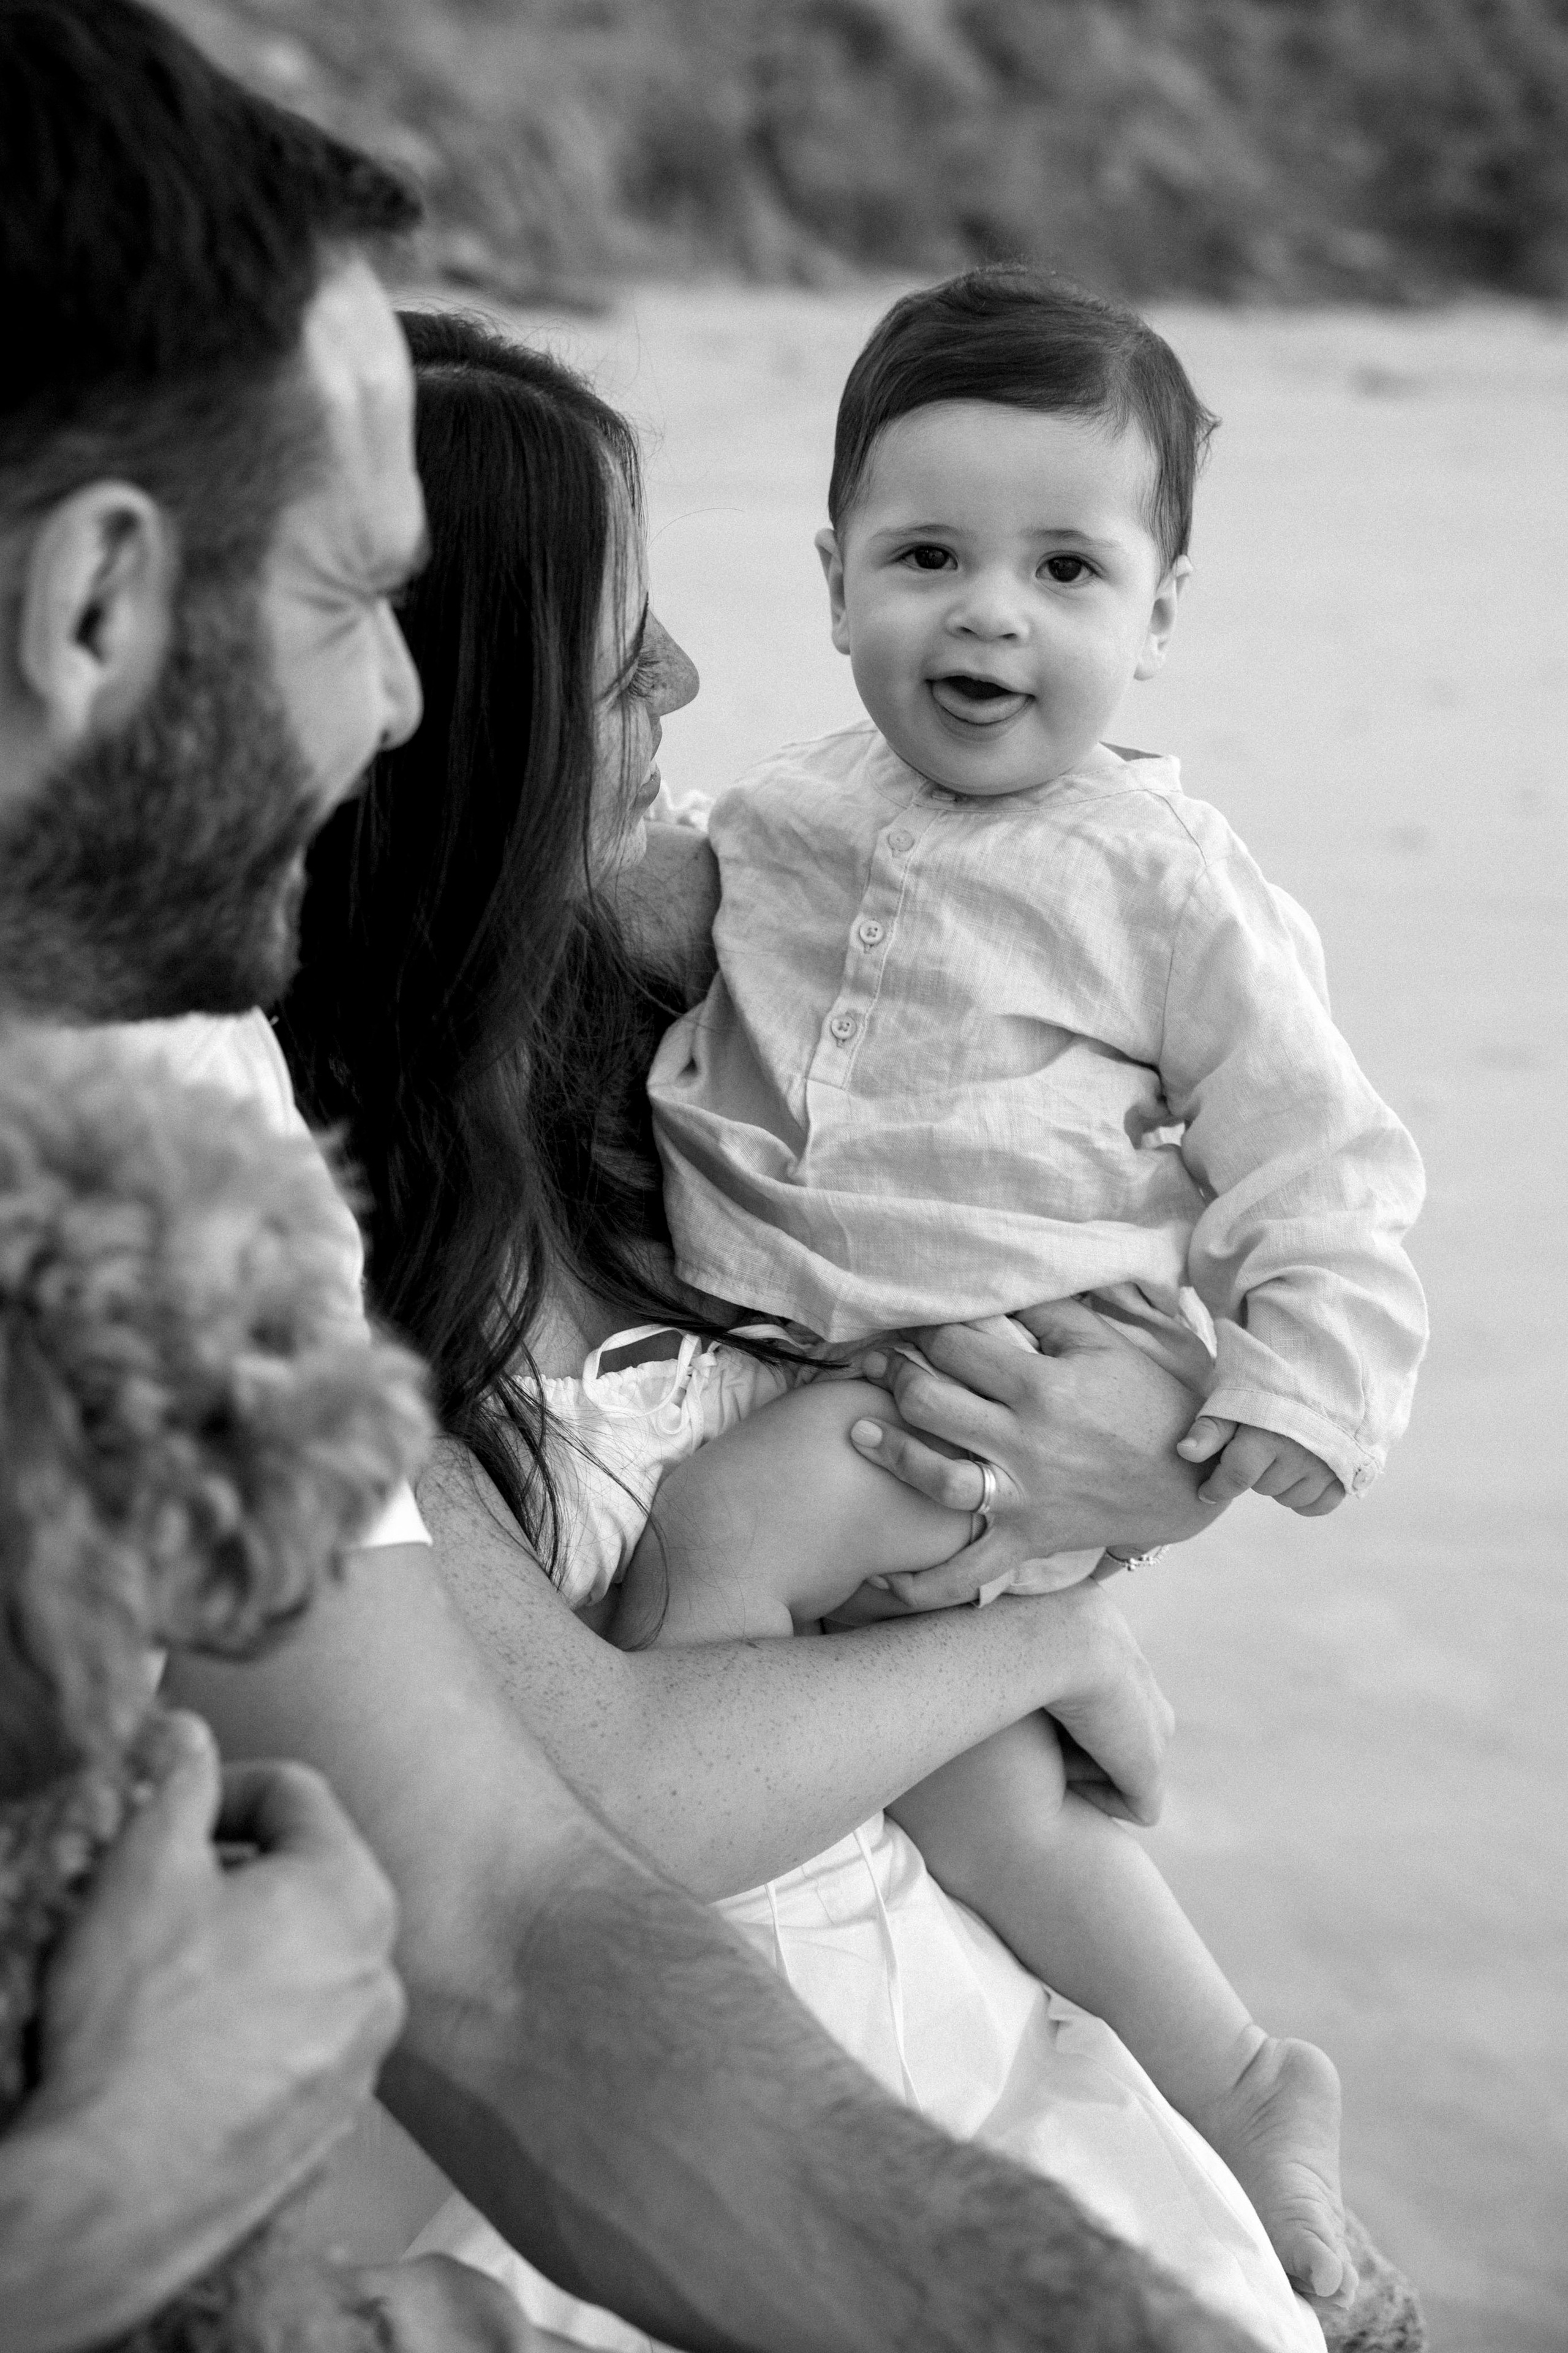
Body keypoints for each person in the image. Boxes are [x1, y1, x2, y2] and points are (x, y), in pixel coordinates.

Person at [0, 8, 1261, 2352]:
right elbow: (531, 1868)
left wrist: (1145, 1443)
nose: (396, 705)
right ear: (93, 607)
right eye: (350, 598)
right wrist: (97, 2197)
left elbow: (491, 1924)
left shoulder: (171, 1109)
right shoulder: (232, 1156)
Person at [269, 311, 1404, 2353]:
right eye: (620, 662)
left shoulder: (683, 988)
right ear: (456, 727)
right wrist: (1049, 1641)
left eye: (1068, 566)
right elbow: (617, 1794)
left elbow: (1154, 1174)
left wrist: (1164, 1441)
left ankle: (1239, 2086)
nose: (685, 687)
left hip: (964, 2024)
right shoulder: (280, 1247)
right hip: (633, 2151)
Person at [590, 268, 1430, 2312]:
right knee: (987, 1802)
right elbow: (664, 895)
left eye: (1067, 568)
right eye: (928, 557)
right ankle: (1243, 2079)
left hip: (990, 1372)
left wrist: (1301, 1388)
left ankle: (640, 1924)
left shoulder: (1166, 878)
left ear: (1159, 612)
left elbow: (1319, 1156)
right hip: (822, 1366)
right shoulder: (783, 816)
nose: (990, 615)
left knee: (713, 1546)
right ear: (833, 578)